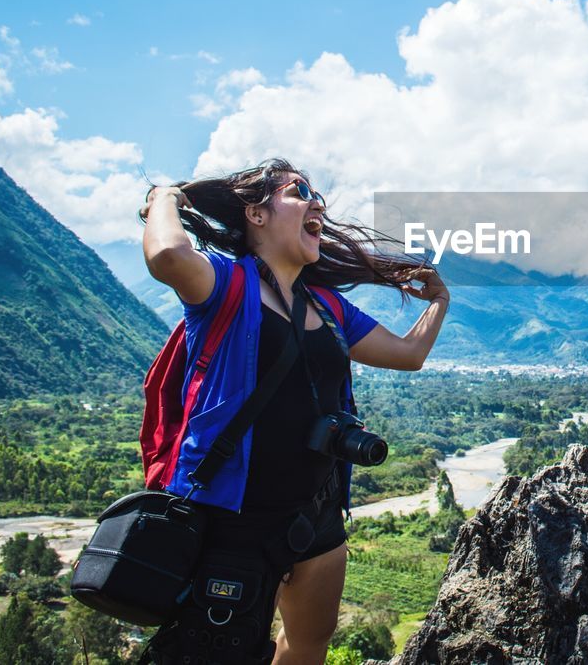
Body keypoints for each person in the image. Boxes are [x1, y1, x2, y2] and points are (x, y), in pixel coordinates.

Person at [138, 157, 448, 664]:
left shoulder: (328, 307)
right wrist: (166, 196)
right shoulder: (225, 286)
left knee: (309, 644)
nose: (317, 202)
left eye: (316, 194)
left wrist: (439, 301)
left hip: (314, 512)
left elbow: (408, 355)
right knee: (218, 651)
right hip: (232, 515)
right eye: (299, 190)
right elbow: (169, 254)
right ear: (256, 215)